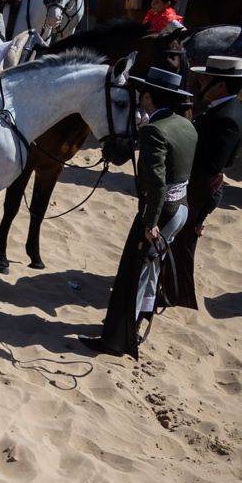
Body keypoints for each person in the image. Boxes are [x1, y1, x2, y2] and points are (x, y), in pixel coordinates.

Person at [90, 66, 197, 358]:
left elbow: (157, 187)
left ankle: (116, 340)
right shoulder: (186, 125)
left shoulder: (153, 131)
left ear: (148, 97)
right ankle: (136, 327)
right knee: (150, 273)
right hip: (181, 208)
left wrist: (149, 223)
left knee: (132, 274)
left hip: (159, 213)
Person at [167, 55, 242, 311]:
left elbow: (214, 163)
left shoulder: (227, 117)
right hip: (197, 183)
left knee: (182, 239)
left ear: (221, 85)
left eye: (206, 78)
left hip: (199, 187)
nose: (201, 81)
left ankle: (176, 294)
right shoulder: (224, 108)